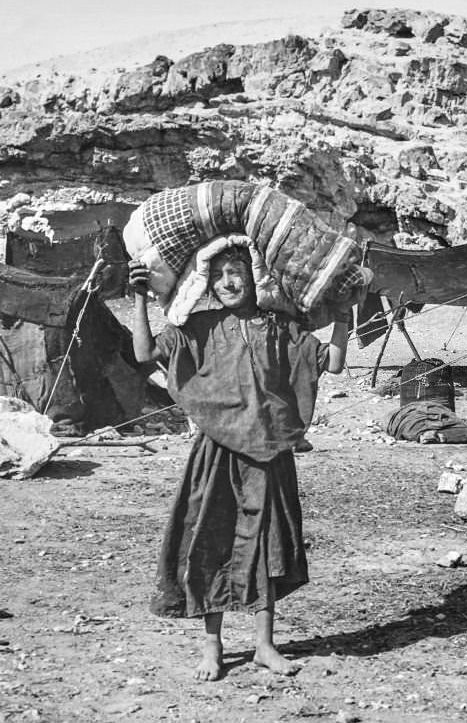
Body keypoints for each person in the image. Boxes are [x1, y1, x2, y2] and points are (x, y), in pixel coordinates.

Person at [128, 244, 351, 681]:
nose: (229, 282)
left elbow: (335, 362)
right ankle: (213, 645)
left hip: (269, 455)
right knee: (212, 540)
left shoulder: (280, 327)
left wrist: (343, 312)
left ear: (256, 278)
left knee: (267, 544)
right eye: (220, 275)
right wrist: (139, 298)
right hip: (217, 453)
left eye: (238, 272)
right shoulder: (198, 327)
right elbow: (143, 354)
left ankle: (265, 645)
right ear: (208, 282)